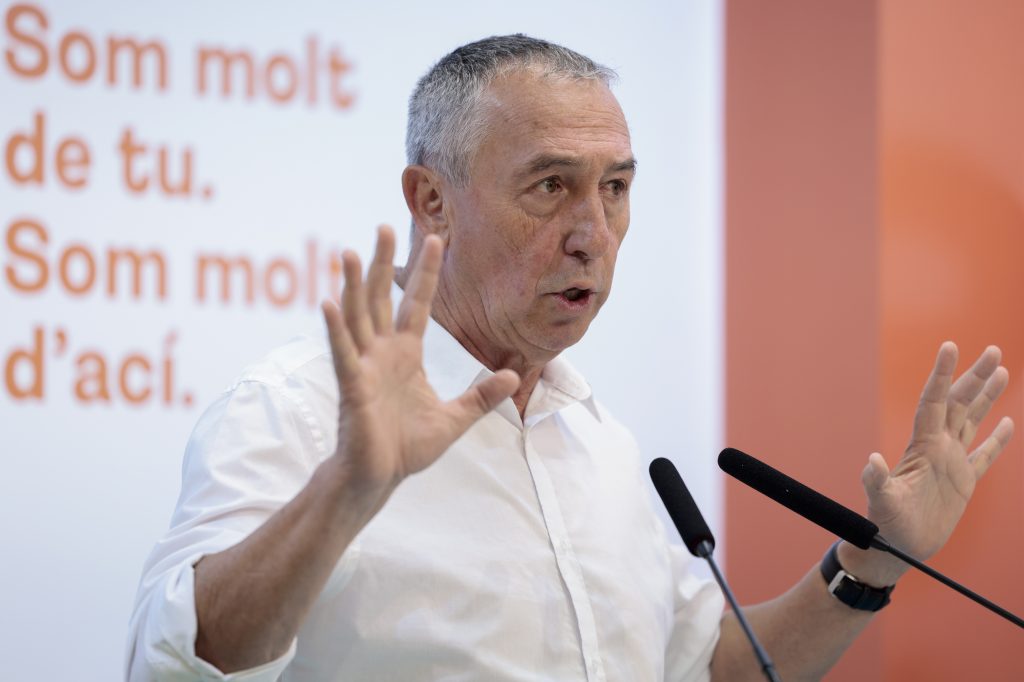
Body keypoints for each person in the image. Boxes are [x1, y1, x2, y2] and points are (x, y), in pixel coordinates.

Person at [126, 35, 1014, 681]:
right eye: (551, 186)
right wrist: (347, 490)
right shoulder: (293, 408)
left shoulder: (598, 442)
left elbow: (710, 668)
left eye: (615, 188)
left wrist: (876, 561)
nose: (593, 233)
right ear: (431, 201)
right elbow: (176, 662)